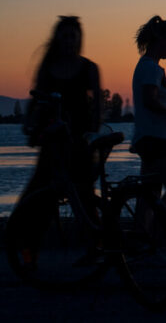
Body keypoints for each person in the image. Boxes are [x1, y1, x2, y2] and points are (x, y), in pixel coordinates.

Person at [22, 16, 103, 204]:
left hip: (79, 139)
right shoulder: (48, 69)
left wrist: (93, 131)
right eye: (65, 36)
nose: (69, 41)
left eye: (73, 36)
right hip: (53, 140)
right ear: (58, 39)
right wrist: (29, 122)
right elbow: (36, 98)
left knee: (84, 196)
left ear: (79, 39)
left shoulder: (89, 68)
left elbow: (98, 105)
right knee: (37, 193)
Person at [131, 16, 166, 213]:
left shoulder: (145, 65)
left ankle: (143, 230)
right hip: (158, 139)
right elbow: (149, 99)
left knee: (149, 194)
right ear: (161, 40)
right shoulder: (151, 68)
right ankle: (158, 223)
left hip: (147, 138)